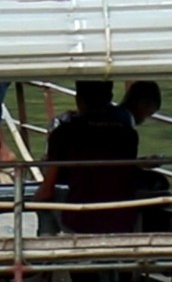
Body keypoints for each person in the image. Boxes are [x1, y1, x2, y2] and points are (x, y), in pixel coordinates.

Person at [36, 81, 147, 234]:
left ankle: (46, 249)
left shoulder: (63, 133)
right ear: (110, 97)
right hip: (123, 219)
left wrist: (31, 201)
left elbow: (46, 192)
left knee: (44, 204)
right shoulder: (128, 134)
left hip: (79, 220)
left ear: (79, 98)